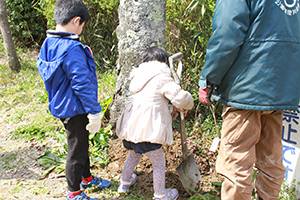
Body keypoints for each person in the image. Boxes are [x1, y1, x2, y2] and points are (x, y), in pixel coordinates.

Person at [198, 0, 300, 200]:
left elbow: (227, 32)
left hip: (246, 87)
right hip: (281, 86)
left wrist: (209, 78)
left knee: (237, 162)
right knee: (271, 158)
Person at [37, 0, 111, 199]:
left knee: (82, 144)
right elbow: (82, 84)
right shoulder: (72, 48)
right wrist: (95, 110)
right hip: (76, 108)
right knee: (76, 151)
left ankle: (86, 178)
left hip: (61, 103)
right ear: (76, 20)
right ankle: (74, 192)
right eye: (83, 25)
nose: (82, 29)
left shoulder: (48, 42)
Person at [115, 46, 194, 200]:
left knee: (133, 155)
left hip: (131, 129)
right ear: (165, 62)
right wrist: (188, 103)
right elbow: (181, 98)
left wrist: (172, 109)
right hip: (148, 131)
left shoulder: (138, 77)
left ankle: (124, 183)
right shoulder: (162, 77)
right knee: (159, 163)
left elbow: (151, 102)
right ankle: (160, 195)